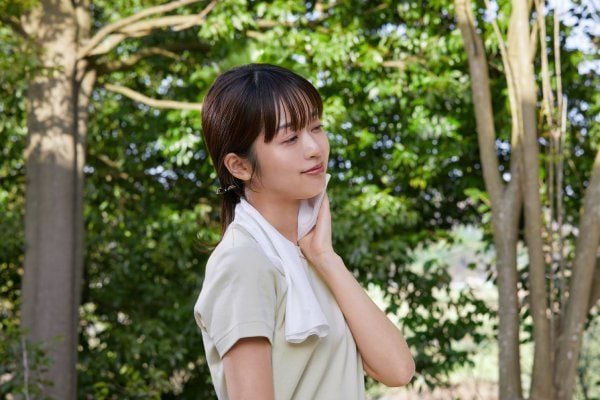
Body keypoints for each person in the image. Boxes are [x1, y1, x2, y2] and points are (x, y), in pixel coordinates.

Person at [194, 63, 414, 400]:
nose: (314, 148)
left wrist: (325, 257)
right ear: (240, 165)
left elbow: (397, 370)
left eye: (316, 127)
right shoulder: (243, 262)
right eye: (290, 138)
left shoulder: (306, 254)